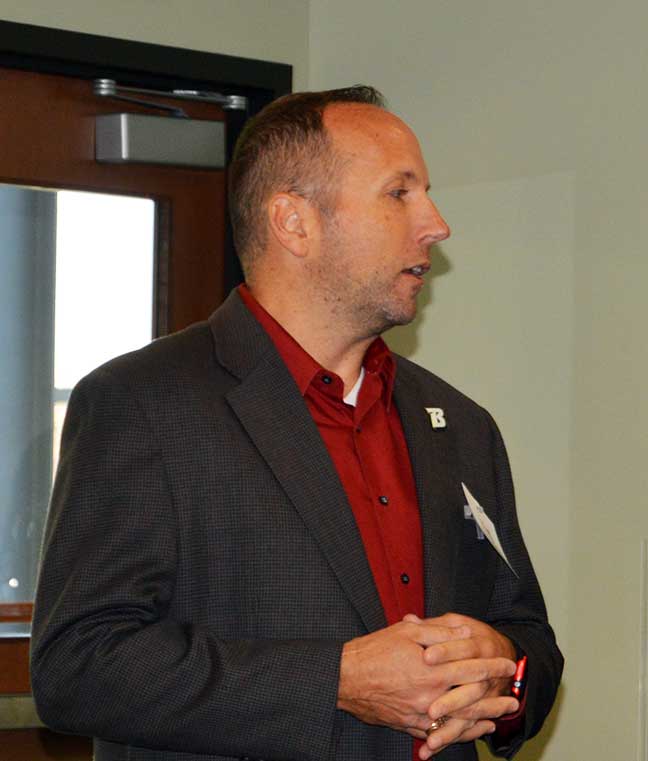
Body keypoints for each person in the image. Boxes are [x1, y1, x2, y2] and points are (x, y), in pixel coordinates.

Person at [31, 85, 562, 761]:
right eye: (399, 193)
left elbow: (530, 640)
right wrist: (335, 680)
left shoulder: (460, 425)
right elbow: (77, 666)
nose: (436, 223)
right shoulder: (142, 403)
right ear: (294, 221)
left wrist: (504, 667)